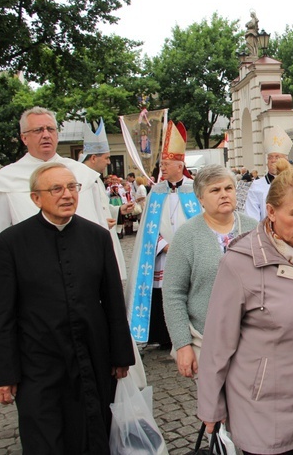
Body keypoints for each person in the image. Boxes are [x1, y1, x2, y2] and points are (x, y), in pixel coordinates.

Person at [197, 159, 293, 455]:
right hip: (265, 409)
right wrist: (211, 406)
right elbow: (218, 343)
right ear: (271, 212)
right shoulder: (240, 263)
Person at [0, 162, 134, 453]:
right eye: (56, 189)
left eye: (72, 187)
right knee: (45, 439)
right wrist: (4, 374)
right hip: (37, 364)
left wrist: (120, 355)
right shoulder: (10, 244)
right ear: (36, 198)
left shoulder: (98, 237)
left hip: (92, 359)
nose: (67, 195)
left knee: (93, 433)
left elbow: (113, 301)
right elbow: (0, 314)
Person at [162, 164, 257, 380]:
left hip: (253, 338)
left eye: (228, 188)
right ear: (200, 198)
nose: (224, 195)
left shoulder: (254, 229)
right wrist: (182, 344)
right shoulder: (187, 235)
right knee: (217, 408)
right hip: (206, 339)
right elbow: (173, 293)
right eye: (215, 190)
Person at [0, 107, 106, 250]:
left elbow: (101, 228)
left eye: (51, 129)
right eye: (38, 130)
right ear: (24, 138)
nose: (46, 135)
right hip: (32, 262)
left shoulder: (83, 174)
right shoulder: (6, 179)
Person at [126, 121, 202, 349]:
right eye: (162, 164)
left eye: (167, 164)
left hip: (188, 253)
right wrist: (163, 244)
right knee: (161, 294)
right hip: (161, 254)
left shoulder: (194, 189)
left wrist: (183, 244)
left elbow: (200, 220)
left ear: (180, 165)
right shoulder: (156, 192)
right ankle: (163, 336)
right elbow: (148, 225)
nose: (163, 168)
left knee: (187, 293)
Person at [79, 120, 133, 278]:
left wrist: (118, 210)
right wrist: (100, 222)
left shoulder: (96, 179)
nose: (109, 162)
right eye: (107, 158)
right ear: (94, 158)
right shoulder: (78, 179)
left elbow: (102, 207)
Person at [244, 125, 293, 221]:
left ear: (286, 160)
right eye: (270, 157)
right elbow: (252, 219)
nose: (273, 160)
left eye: (277, 157)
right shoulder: (256, 186)